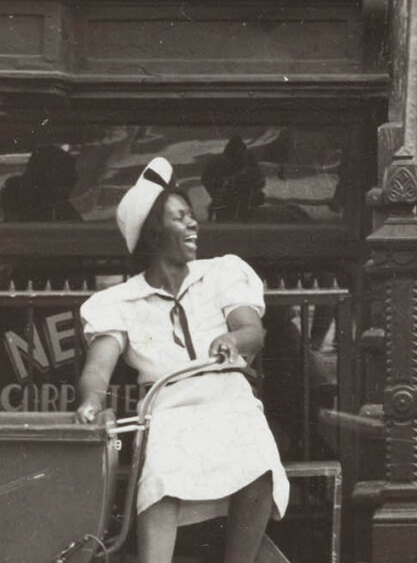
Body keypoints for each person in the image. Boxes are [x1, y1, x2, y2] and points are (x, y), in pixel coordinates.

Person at [73, 158, 285, 563]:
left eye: (192, 216)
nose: (193, 224)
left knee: (258, 464)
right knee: (162, 480)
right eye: (180, 217)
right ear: (154, 234)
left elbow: (252, 330)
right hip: (168, 408)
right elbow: (97, 369)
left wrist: (233, 338)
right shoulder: (119, 301)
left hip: (228, 397)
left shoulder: (221, 273)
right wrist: (91, 401)